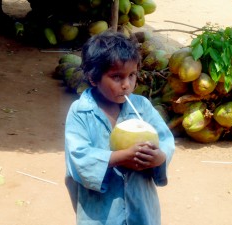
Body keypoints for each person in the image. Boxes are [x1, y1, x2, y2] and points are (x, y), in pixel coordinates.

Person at [64, 31, 175, 225]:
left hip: (141, 208)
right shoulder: (80, 112)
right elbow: (79, 157)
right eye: (116, 77)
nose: (126, 85)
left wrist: (159, 157)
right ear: (93, 78)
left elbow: (165, 140)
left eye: (131, 75)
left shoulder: (142, 107)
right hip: (101, 213)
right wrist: (120, 157)